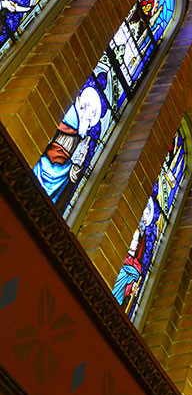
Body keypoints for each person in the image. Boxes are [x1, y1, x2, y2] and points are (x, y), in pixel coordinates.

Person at [34, 75, 108, 205]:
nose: (90, 117)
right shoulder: (70, 116)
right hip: (46, 160)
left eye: (93, 115)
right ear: (85, 106)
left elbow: (75, 171)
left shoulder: (82, 133)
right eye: (91, 112)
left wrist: (78, 164)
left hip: (62, 168)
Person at [111, 195, 161, 312]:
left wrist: (133, 284)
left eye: (148, 213)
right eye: (145, 212)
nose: (145, 215)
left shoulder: (142, 236)